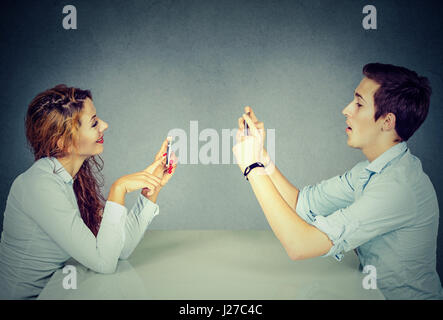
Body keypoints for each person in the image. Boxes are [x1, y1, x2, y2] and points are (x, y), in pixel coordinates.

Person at [232, 63, 443, 299]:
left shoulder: (398, 188)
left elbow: (300, 245)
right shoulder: (369, 172)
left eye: (359, 104)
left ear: (387, 122)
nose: (346, 109)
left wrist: (252, 168)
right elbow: (303, 204)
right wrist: (262, 158)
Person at [0, 84, 177, 299]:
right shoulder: (40, 186)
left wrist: (152, 186)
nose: (104, 125)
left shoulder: (73, 180)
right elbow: (104, 263)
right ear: (63, 141)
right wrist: (118, 189)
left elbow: (119, 250)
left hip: (57, 289)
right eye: (94, 123)